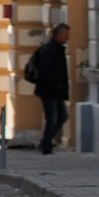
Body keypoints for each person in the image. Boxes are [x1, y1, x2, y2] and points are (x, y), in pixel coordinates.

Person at [23, 23, 73, 154]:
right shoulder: (49, 49)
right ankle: (46, 146)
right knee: (52, 118)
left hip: (55, 91)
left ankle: (45, 142)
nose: (68, 37)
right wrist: (55, 87)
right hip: (49, 91)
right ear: (58, 35)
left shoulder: (56, 48)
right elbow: (45, 72)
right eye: (66, 35)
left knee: (62, 116)